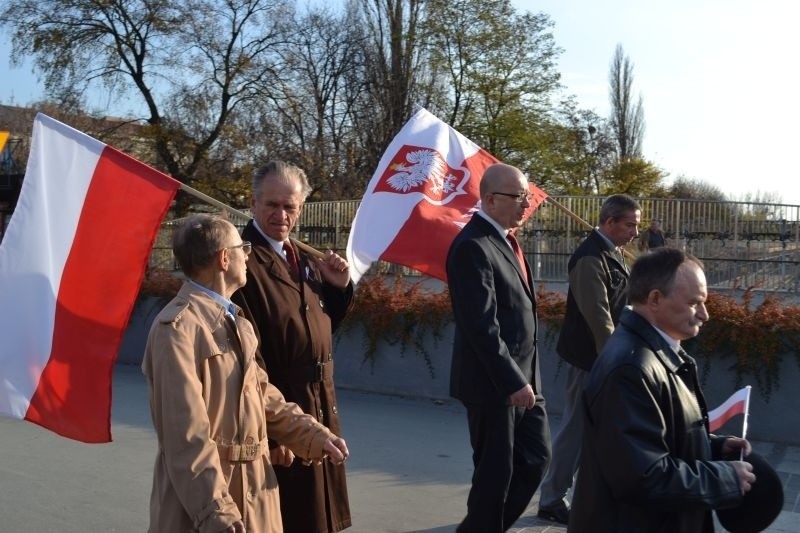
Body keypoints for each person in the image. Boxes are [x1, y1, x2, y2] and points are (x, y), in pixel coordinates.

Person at [142, 214, 350, 533]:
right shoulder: (178, 331)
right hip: (206, 507)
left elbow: (263, 396)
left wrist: (313, 435)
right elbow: (185, 436)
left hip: (255, 495)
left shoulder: (234, 320)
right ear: (225, 258)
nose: (248, 255)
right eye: (244, 247)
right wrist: (216, 511)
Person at [569, 247, 755, 532]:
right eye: (695, 303)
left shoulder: (653, 353)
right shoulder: (630, 369)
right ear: (655, 299)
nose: (704, 314)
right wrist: (725, 478)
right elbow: (644, 476)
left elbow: (658, 440)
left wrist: (712, 447)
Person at [231, 161, 353, 532]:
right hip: (283, 404)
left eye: (290, 207)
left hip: (320, 400)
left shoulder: (303, 258)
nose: (281, 215)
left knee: (322, 511)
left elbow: (315, 327)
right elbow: (248, 355)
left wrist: (337, 287)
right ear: (253, 203)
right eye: (272, 205)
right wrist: (271, 432)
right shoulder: (241, 261)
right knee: (291, 515)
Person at [446, 163, 552, 533]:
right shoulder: (473, 247)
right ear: (490, 200)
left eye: (527, 195)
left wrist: (526, 381)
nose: (527, 203)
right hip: (495, 385)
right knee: (494, 477)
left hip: (525, 382)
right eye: (519, 196)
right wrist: (512, 382)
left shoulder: (506, 241)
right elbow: (481, 326)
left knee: (536, 458)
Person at [537, 194, 641, 524]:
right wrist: (613, 362)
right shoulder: (590, 258)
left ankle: (590, 494)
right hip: (591, 361)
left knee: (599, 431)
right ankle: (552, 498)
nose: (635, 232)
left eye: (636, 225)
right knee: (577, 430)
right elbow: (598, 317)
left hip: (606, 358)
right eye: (629, 225)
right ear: (609, 222)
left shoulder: (612, 254)